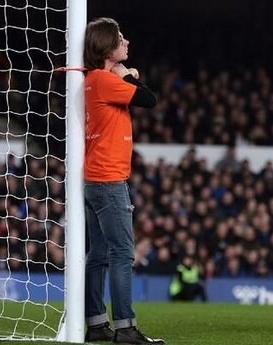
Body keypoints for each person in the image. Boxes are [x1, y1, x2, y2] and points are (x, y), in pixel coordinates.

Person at [82, 17, 164, 344]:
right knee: (122, 254)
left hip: (95, 178)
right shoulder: (106, 80)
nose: (126, 42)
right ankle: (125, 327)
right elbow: (150, 99)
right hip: (109, 179)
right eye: (121, 39)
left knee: (100, 253)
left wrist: (125, 76)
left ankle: (97, 322)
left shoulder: (94, 79)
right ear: (107, 46)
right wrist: (127, 75)